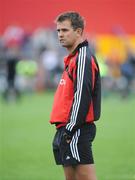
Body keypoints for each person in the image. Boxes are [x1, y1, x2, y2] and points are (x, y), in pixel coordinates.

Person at [49, 11, 101, 180]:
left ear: (78, 32)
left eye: (65, 30)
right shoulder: (72, 58)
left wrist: (70, 129)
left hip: (76, 130)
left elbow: (82, 96)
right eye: (58, 31)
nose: (60, 35)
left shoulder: (82, 58)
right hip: (65, 129)